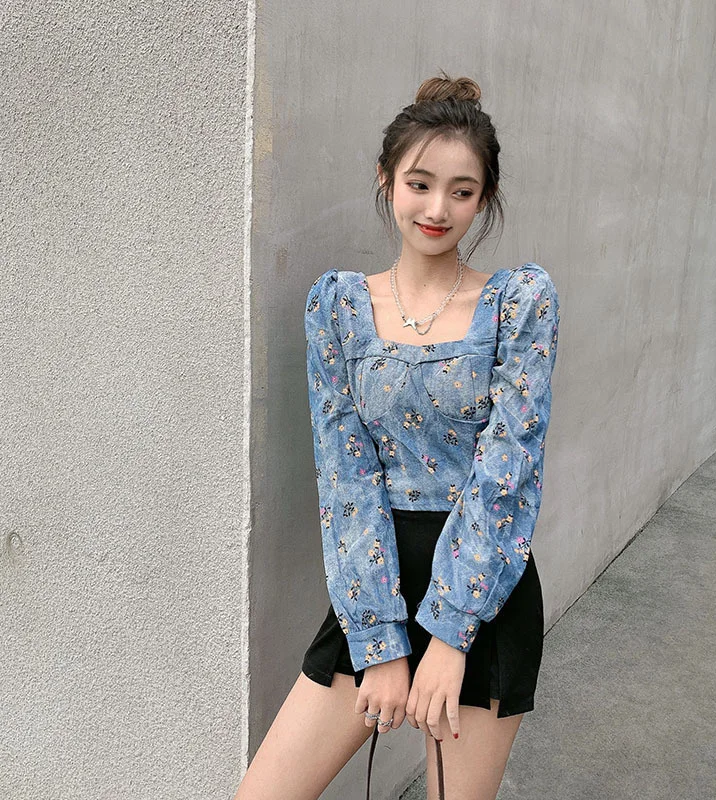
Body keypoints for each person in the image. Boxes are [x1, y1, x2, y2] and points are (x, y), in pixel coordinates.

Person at [234, 73, 560, 800]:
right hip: (372, 580)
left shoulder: (518, 304)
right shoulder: (339, 307)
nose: (438, 209)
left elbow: (508, 471)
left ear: (485, 197)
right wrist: (379, 642)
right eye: (419, 184)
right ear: (386, 179)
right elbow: (344, 472)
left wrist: (449, 635)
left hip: (483, 589)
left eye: (462, 191)